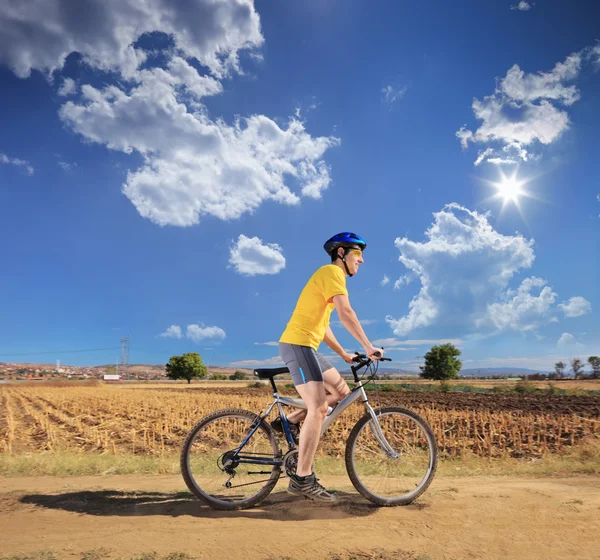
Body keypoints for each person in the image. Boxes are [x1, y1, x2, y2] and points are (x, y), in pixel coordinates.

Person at [276, 232, 384, 502]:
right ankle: (302, 478)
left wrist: (345, 354)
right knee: (319, 407)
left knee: (340, 392)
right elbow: (347, 313)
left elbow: (323, 329)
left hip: (308, 345)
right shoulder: (331, 273)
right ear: (341, 254)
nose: (361, 260)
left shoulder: (329, 279)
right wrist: (369, 346)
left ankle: (287, 423)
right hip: (297, 344)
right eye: (357, 254)